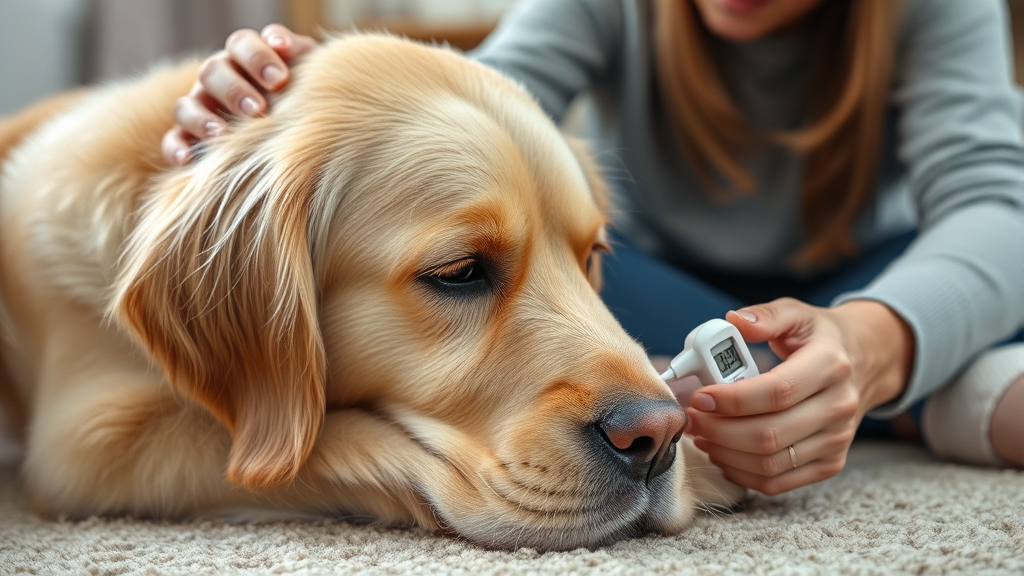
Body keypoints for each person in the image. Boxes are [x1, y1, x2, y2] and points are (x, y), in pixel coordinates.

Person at [162, 0, 1024, 494]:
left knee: (981, 257)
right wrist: (336, 100)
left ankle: (871, 379)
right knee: (556, 267)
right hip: (653, 293)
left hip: (869, 280)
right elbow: (486, 113)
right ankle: (927, 394)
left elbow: (995, 204)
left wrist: (875, 342)